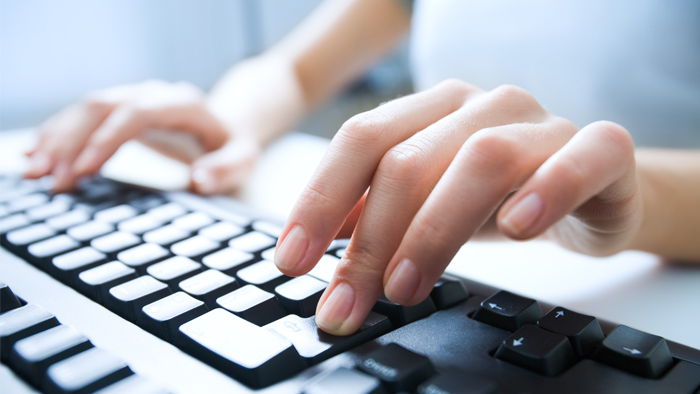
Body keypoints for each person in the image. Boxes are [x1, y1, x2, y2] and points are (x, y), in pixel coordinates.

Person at [24, 0, 700, 336]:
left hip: (658, 289)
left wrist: (633, 205)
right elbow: (293, 66)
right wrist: (227, 125)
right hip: (454, 262)